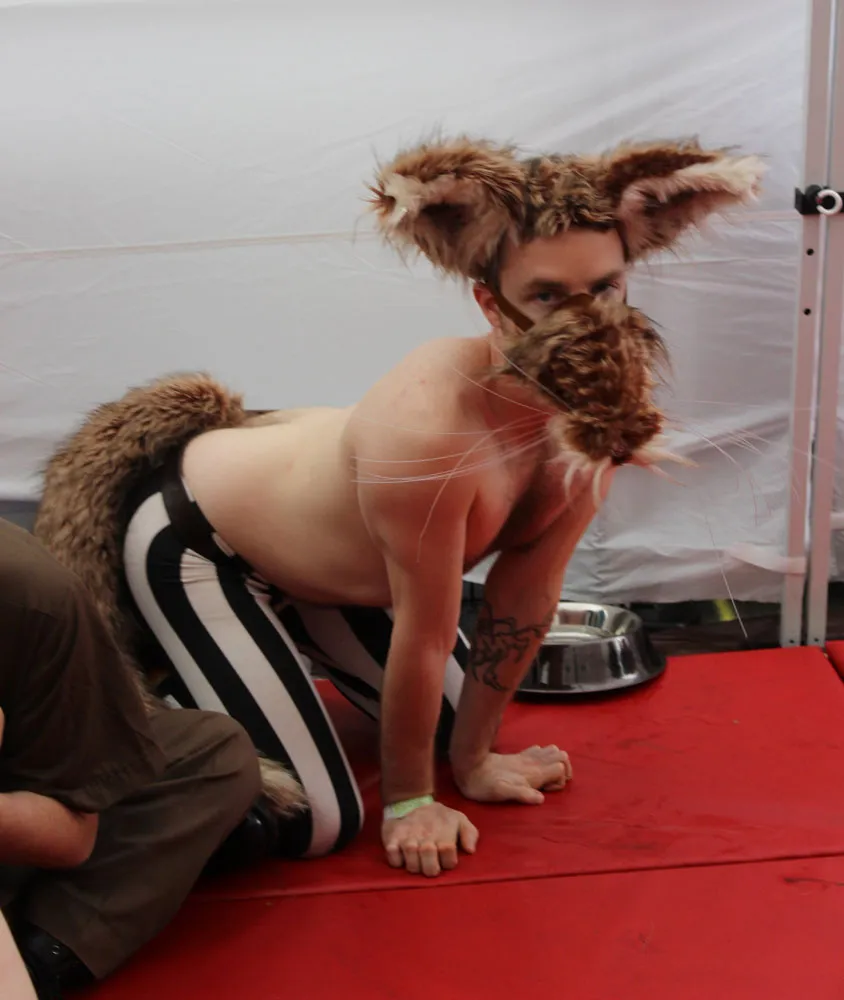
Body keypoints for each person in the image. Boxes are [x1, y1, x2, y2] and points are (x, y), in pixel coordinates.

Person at [33, 134, 764, 879]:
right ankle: (162, 705)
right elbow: (426, 629)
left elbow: (527, 593)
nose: (584, 320)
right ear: (491, 304)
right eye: (546, 296)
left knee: (455, 734)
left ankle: (285, 649)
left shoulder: (590, 421)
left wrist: (475, 761)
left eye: (604, 288)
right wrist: (410, 802)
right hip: (204, 539)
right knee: (315, 822)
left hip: (331, 568)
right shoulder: (428, 429)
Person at [0, 517, 264, 998]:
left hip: (25, 798)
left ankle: (41, 957)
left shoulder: (34, 595)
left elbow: (70, 835)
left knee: (215, 753)